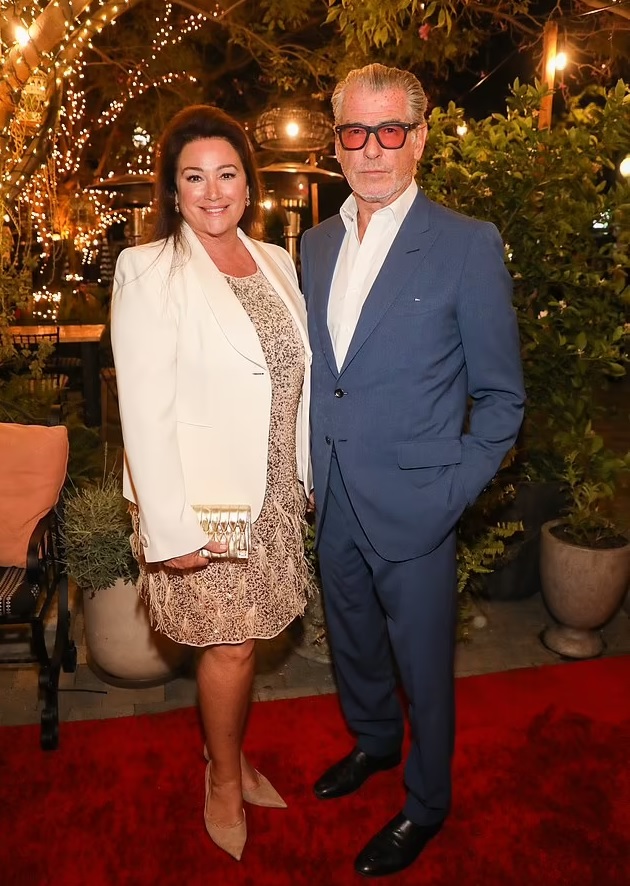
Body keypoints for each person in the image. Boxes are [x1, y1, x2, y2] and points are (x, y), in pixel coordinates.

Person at [300, 63, 525, 879]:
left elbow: (502, 398)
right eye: (355, 132)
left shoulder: (466, 244)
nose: (372, 149)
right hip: (334, 494)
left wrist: (452, 490)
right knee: (353, 641)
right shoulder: (314, 244)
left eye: (390, 130)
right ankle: (374, 741)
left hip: (420, 503)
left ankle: (427, 803)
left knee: (425, 669)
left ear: (420, 139)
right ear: (336, 144)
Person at [110, 105, 312, 863]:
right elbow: (144, 411)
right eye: (194, 177)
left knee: (249, 639)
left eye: (227, 174)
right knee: (230, 647)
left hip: (275, 492)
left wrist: (303, 474)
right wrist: (171, 527)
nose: (213, 191)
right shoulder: (148, 270)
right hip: (209, 501)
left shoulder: (276, 262)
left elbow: (293, 382)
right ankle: (224, 778)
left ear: (248, 186)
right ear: (174, 191)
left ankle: (224, 751)